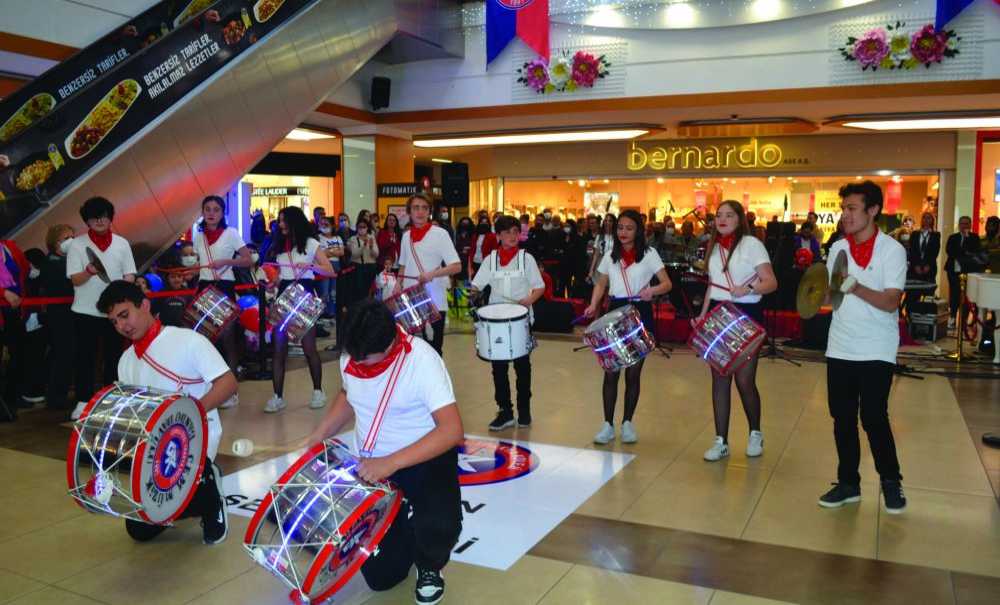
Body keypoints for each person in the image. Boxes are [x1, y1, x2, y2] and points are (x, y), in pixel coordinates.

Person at [305, 300, 463, 605]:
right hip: (371, 466)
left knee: (440, 524)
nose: (358, 363)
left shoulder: (422, 360)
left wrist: (391, 462)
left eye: (366, 359)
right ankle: (402, 520)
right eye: (355, 356)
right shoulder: (354, 353)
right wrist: (319, 434)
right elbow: (348, 393)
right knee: (382, 577)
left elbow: (451, 430)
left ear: (390, 343)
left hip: (422, 458)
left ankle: (430, 565)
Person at [96, 280, 235, 544]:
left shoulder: (187, 340)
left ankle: (209, 493)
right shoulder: (126, 361)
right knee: (138, 530)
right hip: (155, 449)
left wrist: (194, 412)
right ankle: (186, 500)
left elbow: (228, 383)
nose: (122, 326)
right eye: (114, 321)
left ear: (145, 305)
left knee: (185, 487)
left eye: (125, 315)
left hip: (196, 440)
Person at [818, 180, 907, 515]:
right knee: (842, 417)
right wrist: (817, 293)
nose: (845, 215)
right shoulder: (838, 249)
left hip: (877, 347)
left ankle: (891, 481)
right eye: (843, 209)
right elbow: (832, 297)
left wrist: (855, 287)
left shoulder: (891, 250)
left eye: (852, 208)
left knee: (873, 417)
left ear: (873, 210)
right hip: (840, 344)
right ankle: (848, 483)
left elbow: (890, 301)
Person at [695, 201, 777, 462]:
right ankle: (721, 441)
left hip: (746, 315)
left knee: (744, 379)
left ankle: (755, 433)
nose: (722, 219)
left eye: (729, 215)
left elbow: (771, 282)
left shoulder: (752, 245)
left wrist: (749, 289)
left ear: (740, 219)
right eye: (719, 215)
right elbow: (712, 285)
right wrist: (702, 315)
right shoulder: (713, 246)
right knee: (720, 378)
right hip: (718, 314)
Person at [585, 210, 672, 445]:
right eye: (620, 227)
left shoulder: (650, 254)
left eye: (629, 228)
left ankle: (627, 423)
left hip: (640, 311)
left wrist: (651, 291)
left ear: (638, 230)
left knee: (633, 373)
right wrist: (593, 304)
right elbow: (601, 282)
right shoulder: (610, 254)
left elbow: (667, 283)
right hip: (615, 311)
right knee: (611, 371)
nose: (623, 232)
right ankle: (607, 424)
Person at [470, 216, 546, 431]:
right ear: (499, 236)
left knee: (522, 366)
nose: (512, 236)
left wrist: (528, 300)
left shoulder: (526, 259)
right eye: (507, 232)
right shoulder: (490, 260)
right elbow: (476, 285)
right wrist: (471, 293)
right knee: (499, 368)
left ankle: (524, 410)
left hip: (521, 319)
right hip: (496, 322)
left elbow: (539, 287)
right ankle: (505, 411)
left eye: (515, 232)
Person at [67, 197, 137, 420]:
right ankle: (83, 401)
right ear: (87, 220)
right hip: (84, 311)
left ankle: (111, 399)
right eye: (94, 217)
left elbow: (130, 274)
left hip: (114, 314)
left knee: (114, 356)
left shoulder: (121, 243)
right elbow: (75, 280)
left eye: (104, 216)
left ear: (110, 218)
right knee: (84, 358)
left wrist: (122, 293)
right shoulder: (77, 244)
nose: (99, 220)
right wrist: (88, 271)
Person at [264, 206, 337, 413]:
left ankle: (318, 391)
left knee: (309, 347)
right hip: (284, 295)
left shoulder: (312, 243)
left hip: (304, 295)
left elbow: (330, 271)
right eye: (280, 221)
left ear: (294, 221)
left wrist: (311, 267)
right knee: (278, 348)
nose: (281, 224)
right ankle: (277, 396)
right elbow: (279, 275)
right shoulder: (278, 246)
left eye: (284, 220)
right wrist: (272, 283)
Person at [192, 195, 252, 408]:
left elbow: (248, 259)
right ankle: (210, 388)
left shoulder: (231, 233)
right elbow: (200, 264)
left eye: (216, 209)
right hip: (203, 287)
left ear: (222, 212)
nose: (211, 213)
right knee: (205, 340)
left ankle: (230, 390)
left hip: (225, 286)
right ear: (202, 212)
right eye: (207, 209)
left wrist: (225, 261)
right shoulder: (198, 236)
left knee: (228, 339)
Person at [396, 194, 461, 355]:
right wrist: (398, 283)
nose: (420, 212)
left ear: (429, 212)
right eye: (416, 208)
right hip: (410, 298)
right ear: (409, 212)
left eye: (424, 208)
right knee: (411, 348)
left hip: (434, 299)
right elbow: (403, 264)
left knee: (434, 350)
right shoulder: (406, 236)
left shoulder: (440, 234)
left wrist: (432, 274)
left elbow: (456, 266)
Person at [39, 225, 76, 412]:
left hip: (71, 314)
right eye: (65, 238)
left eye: (72, 236)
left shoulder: (70, 260)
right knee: (62, 355)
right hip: (60, 316)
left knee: (68, 355)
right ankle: (56, 397)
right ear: (55, 242)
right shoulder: (51, 263)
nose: (70, 241)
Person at [0, 237, 30, 420]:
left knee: (17, 356)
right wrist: (3, 292)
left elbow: (24, 270)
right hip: (5, 308)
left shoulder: (9, 246)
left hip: (14, 311)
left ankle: (11, 399)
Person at [945, 215, 984, 329]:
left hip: (968, 270)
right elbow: (950, 251)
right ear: (959, 225)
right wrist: (964, 253)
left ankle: (963, 321)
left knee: (967, 296)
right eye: (962, 223)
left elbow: (974, 252)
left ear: (970, 225)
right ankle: (952, 317)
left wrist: (966, 242)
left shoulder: (974, 238)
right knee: (954, 294)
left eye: (967, 223)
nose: (964, 226)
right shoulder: (953, 237)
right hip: (953, 270)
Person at [347, 218, 380, 306]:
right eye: (360, 227)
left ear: (367, 228)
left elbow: (376, 254)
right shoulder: (353, 239)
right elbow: (354, 254)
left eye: (364, 227)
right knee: (359, 292)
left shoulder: (371, 237)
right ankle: (359, 308)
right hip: (358, 268)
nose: (362, 229)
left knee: (369, 290)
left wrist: (371, 247)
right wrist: (364, 245)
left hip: (370, 267)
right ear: (357, 228)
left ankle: (369, 308)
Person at [908, 211, 940, 283]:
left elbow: (935, 252)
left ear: (932, 220)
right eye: (924, 218)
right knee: (915, 289)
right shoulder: (914, 234)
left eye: (928, 218)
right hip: (915, 268)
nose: (926, 220)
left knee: (929, 288)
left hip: (930, 268)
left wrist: (928, 265)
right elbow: (911, 251)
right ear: (922, 220)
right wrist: (916, 265)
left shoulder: (936, 235)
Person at [588, 213, 617, 283]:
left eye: (610, 221)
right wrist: (591, 270)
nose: (607, 223)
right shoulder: (600, 236)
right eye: (606, 220)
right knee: (599, 286)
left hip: (613, 264)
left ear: (614, 223)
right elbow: (596, 255)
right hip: (600, 264)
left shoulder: (617, 237)